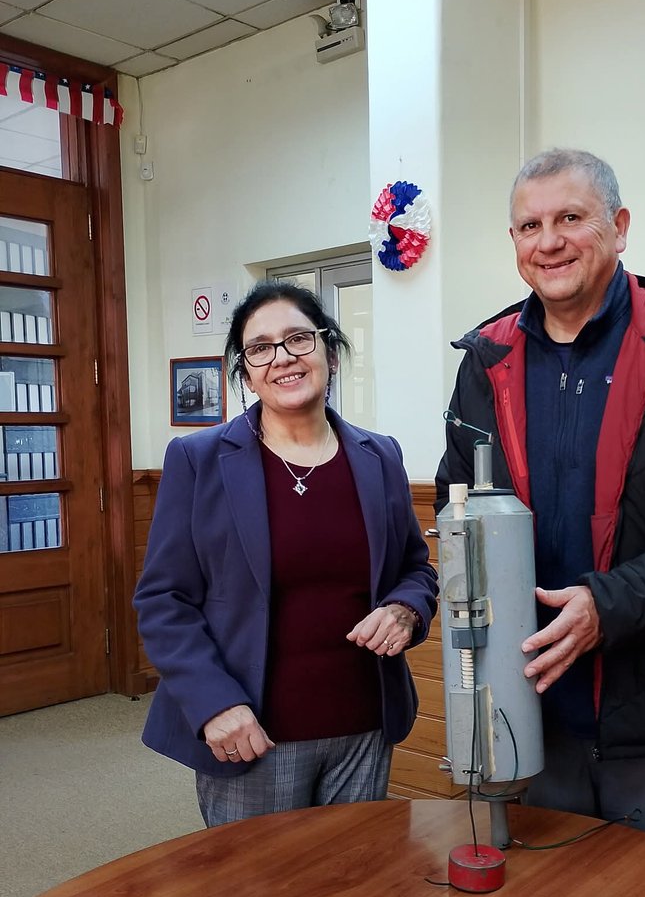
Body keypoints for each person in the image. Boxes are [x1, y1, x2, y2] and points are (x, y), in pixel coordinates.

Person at [435, 149, 645, 857]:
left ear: (618, 227)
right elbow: (457, 501)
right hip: (530, 707)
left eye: (571, 217)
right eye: (529, 225)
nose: (549, 240)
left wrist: (611, 604)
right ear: (514, 245)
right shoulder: (486, 360)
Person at [136, 279, 437, 826]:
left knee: (353, 888)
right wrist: (213, 704)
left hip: (364, 726)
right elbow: (164, 600)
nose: (283, 358)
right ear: (245, 371)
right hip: (252, 735)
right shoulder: (198, 460)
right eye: (260, 348)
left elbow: (415, 568)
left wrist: (406, 609)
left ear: (331, 352)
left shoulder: (378, 456)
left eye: (299, 338)